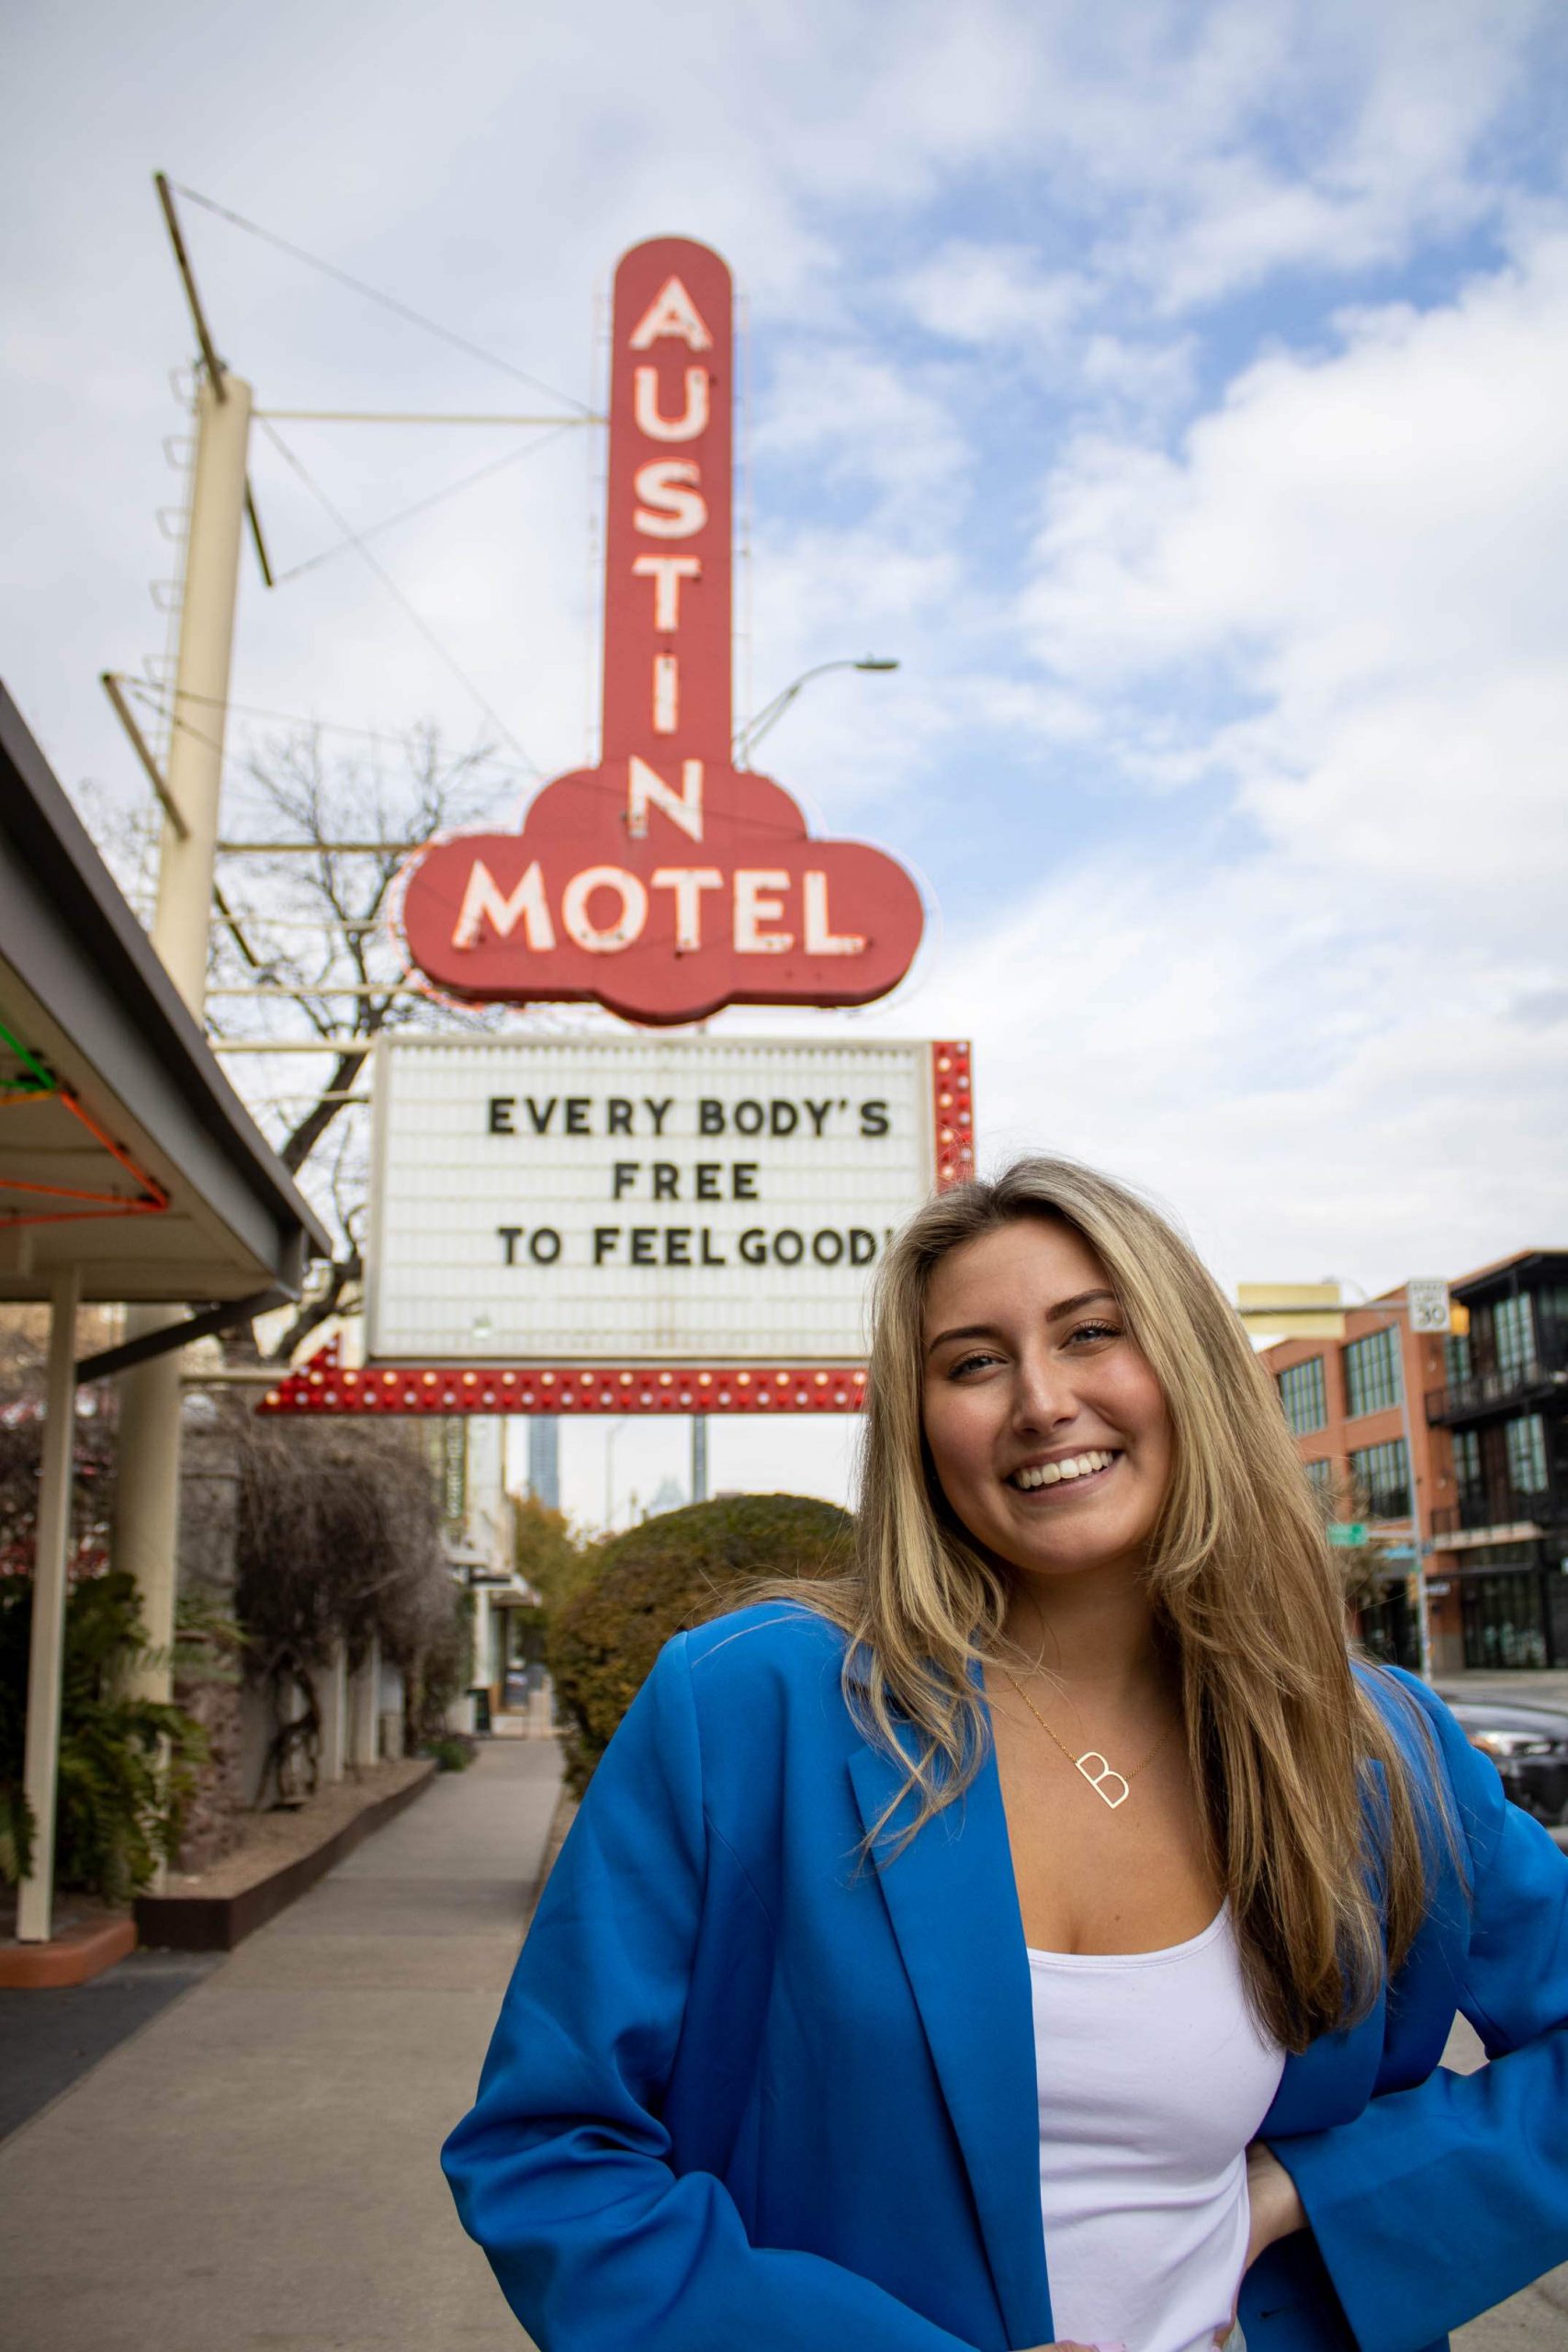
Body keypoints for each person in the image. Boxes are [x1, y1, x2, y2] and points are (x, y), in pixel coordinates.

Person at [443, 1158, 1568, 2352]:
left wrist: (1314, 2193)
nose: (1040, 1401)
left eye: (1092, 1334)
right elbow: (551, 2156)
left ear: (1188, 1368)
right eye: (974, 1362)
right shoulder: (744, 1710)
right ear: (923, 1430)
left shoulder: (1373, 1747)